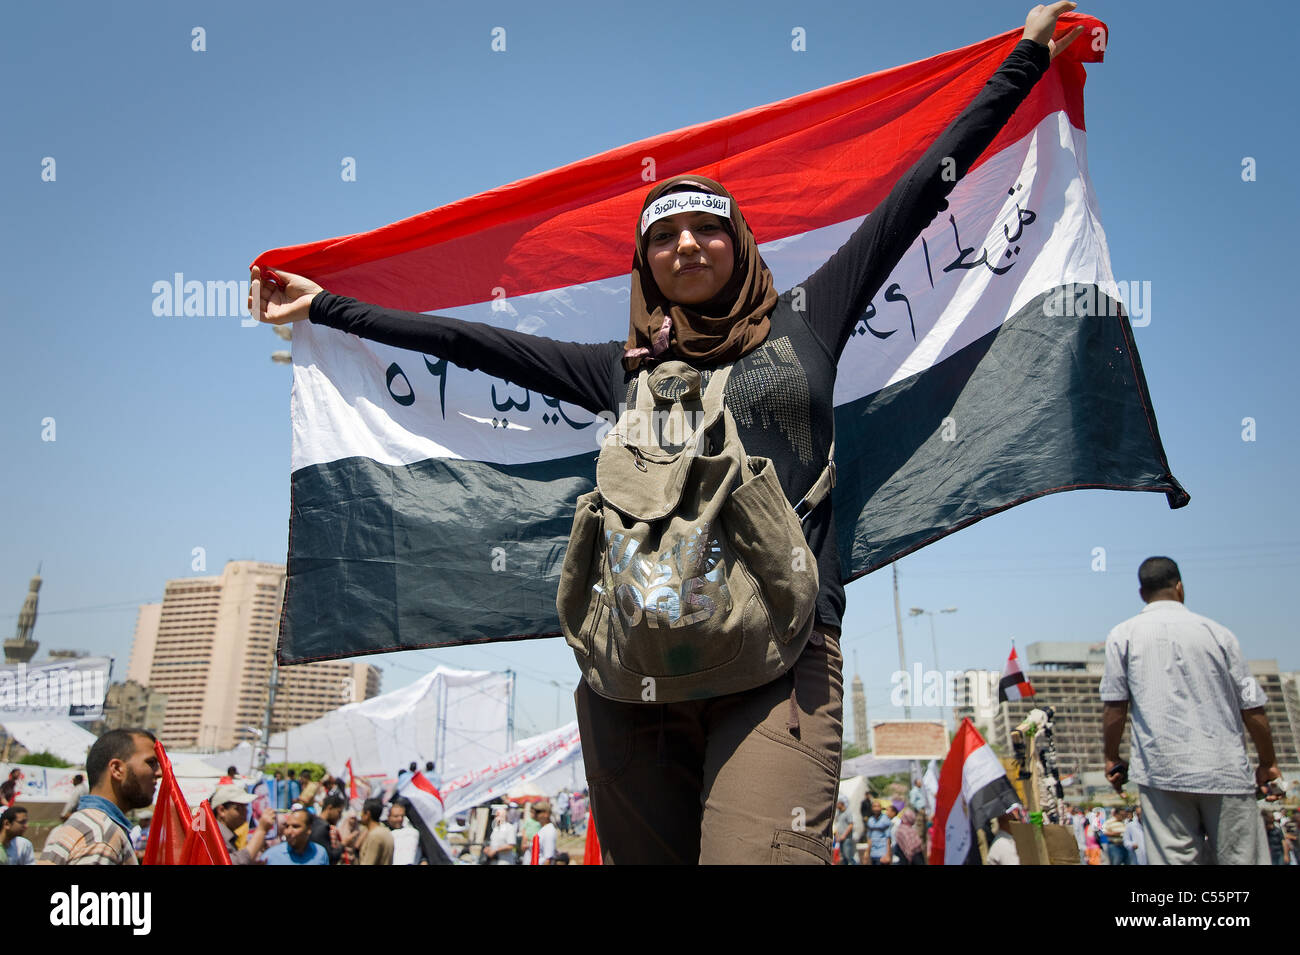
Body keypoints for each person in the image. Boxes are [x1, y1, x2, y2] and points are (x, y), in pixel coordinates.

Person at [250, 4, 1082, 864]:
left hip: (782, 665)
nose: (688, 242)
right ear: (645, 264)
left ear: (740, 240)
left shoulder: (810, 322)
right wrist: (328, 308)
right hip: (630, 678)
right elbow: (467, 343)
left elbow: (926, 187)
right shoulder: (617, 371)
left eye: (708, 226)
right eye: (664, 235)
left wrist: (1021, 60)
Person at [1100, 557, 1280, 865]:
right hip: (1225, 769)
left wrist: (1112, 757)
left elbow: (1115, 706)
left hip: (1162, 771)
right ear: (1180, 587)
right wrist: (1268, 762)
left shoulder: (1123, 635)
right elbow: (1252, 705)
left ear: (1142, 593)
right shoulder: (1219, 634)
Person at [37, 728, 161, 865]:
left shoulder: (84, 825)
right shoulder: (101, 837)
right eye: (151, 763)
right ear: (117, 769)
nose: (159, 772)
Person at [210, 785, 275, 865]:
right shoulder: (214, 836)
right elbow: (233, 862)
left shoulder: (224, 835)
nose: (245, 811)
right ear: (221, 810)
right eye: (238, 808)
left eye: (245, 807)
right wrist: (261, 830)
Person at [263, 808, 329, 865]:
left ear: (309, 829)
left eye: (295, 826)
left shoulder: (320, 853)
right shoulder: (270, 857)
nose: (289, 831)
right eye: (287, 826)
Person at [310, 793, 347, 864]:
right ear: (329, 808)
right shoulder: (323, 827)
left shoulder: (314, 822)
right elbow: (329, 857)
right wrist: (343, 844)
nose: (340, 816)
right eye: (339, 812)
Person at [357, 797, 394, 865]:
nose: (361, 815)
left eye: (362, 812)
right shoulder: (386, 831)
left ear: (367, 814)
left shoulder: (375, 836)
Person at [386, 799, 421, 865]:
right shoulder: (384, 834)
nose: (400, 819)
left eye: (402, 816)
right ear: (389, 817)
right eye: (396, 816)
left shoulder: (412, 832)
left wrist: (423, 860)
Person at [864, 800, 892, 865]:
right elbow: (869, 838)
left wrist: (888, 854)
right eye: (874, 806)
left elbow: (888, 839)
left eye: (878, 806)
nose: (876, 808)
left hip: (882, 852)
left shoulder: (885, 820)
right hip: (873, 852)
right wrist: (867, 852)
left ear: (881, 808)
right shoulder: (870, 820)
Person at [833, 797, 857, 865]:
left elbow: (851, 825)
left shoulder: (848, 812)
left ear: (841, 803)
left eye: (838, 803)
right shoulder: (839, 813)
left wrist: (844, 835)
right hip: (840, 838)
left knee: (848, 856)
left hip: (847, 838)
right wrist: (837, 835)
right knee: (843, 857)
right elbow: (837, 825)